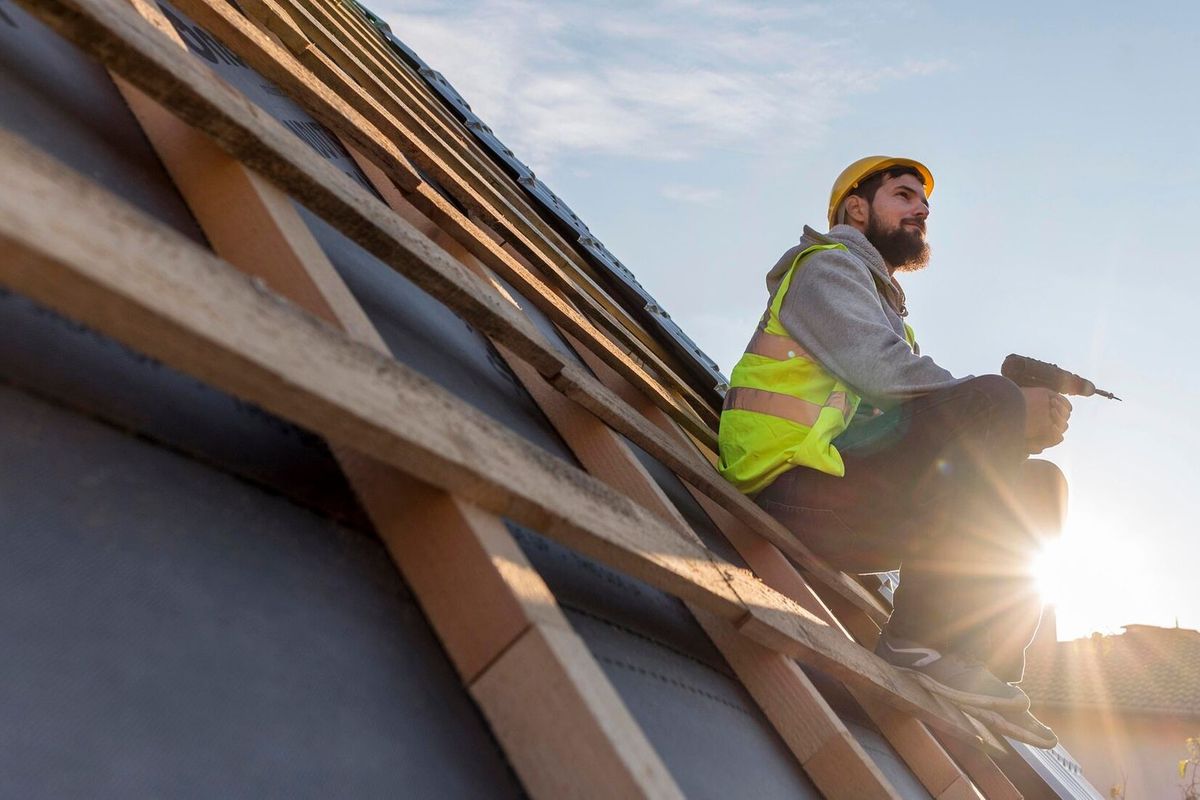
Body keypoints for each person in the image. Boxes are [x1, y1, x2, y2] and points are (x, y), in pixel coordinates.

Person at [717, 156, 1070, 748]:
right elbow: (881, 374)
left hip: (846, 493)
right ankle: (918, 638)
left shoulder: (884, 308)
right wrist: (1005, 409)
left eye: (924, 203)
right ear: (857, 208)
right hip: (786, 489)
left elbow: (898, 423)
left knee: (1042, 484)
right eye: (904, 196)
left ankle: (987, 666)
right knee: (992, 399)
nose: (921, 210)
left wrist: (1018, 433)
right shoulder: (825, 269)